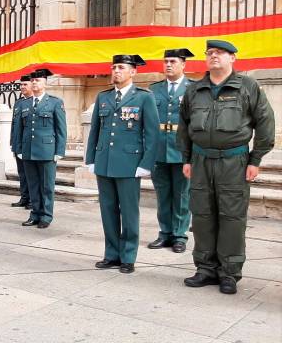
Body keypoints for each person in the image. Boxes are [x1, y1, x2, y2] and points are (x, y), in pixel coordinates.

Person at [178, 40, 275, 295]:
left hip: (234, 162)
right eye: (209, 53)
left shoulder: (247, 87)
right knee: (202, 216)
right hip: (200, 161)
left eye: (219, 53)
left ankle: (229, 272)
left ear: (233, 58)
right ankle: (205, 268)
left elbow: (265, 124)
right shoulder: (195, 90)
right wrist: (186, 158)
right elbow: (184, 126)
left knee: (232, 218)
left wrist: (256, 160)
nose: (213, 57)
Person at [86, 54, 159, 274]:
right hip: (105, 162)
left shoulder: (144, 97)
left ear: (133, 72)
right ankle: (111, 254)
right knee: (107, 210)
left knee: (128, 212)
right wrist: (91, 158)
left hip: (129, 163)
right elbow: (95, 131)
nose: (116, 71)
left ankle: (128, 256)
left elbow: (153, 134)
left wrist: (145, 163)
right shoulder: (103, 97)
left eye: (121, 67)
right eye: (114, 67)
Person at [147, 48, 194, 254]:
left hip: (181, 150)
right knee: (163, 194)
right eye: (165, 61)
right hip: (159, 149)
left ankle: (180, 235)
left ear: (183, 65)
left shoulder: (193, 88)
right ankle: (165, 233)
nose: (168, 65)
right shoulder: (154, 89)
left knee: (182, 195)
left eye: (173, 61)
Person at [14, 69, 67, 229]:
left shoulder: (54, 102)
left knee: (46, 186)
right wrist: (19, 148)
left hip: (46, 151)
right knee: (33, 185)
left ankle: (46, 215)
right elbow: (19, 129)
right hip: (28, 150)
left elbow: (61, 129)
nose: (35, 83)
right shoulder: (24, 104)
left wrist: (59, 151)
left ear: (45, 83)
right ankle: (35, 214)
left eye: (38, 80)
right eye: (33, 81)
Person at [11, 75, 33, 209]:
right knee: (22, 173)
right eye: (21, 85)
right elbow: (15, 124)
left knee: (30, 174)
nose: (22, 87)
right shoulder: (18, 103)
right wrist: (12, 142)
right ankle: (24, 197)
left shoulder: (33, 102)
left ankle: (32, 200)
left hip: (28, 144)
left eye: (25, 84)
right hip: (18, 144)